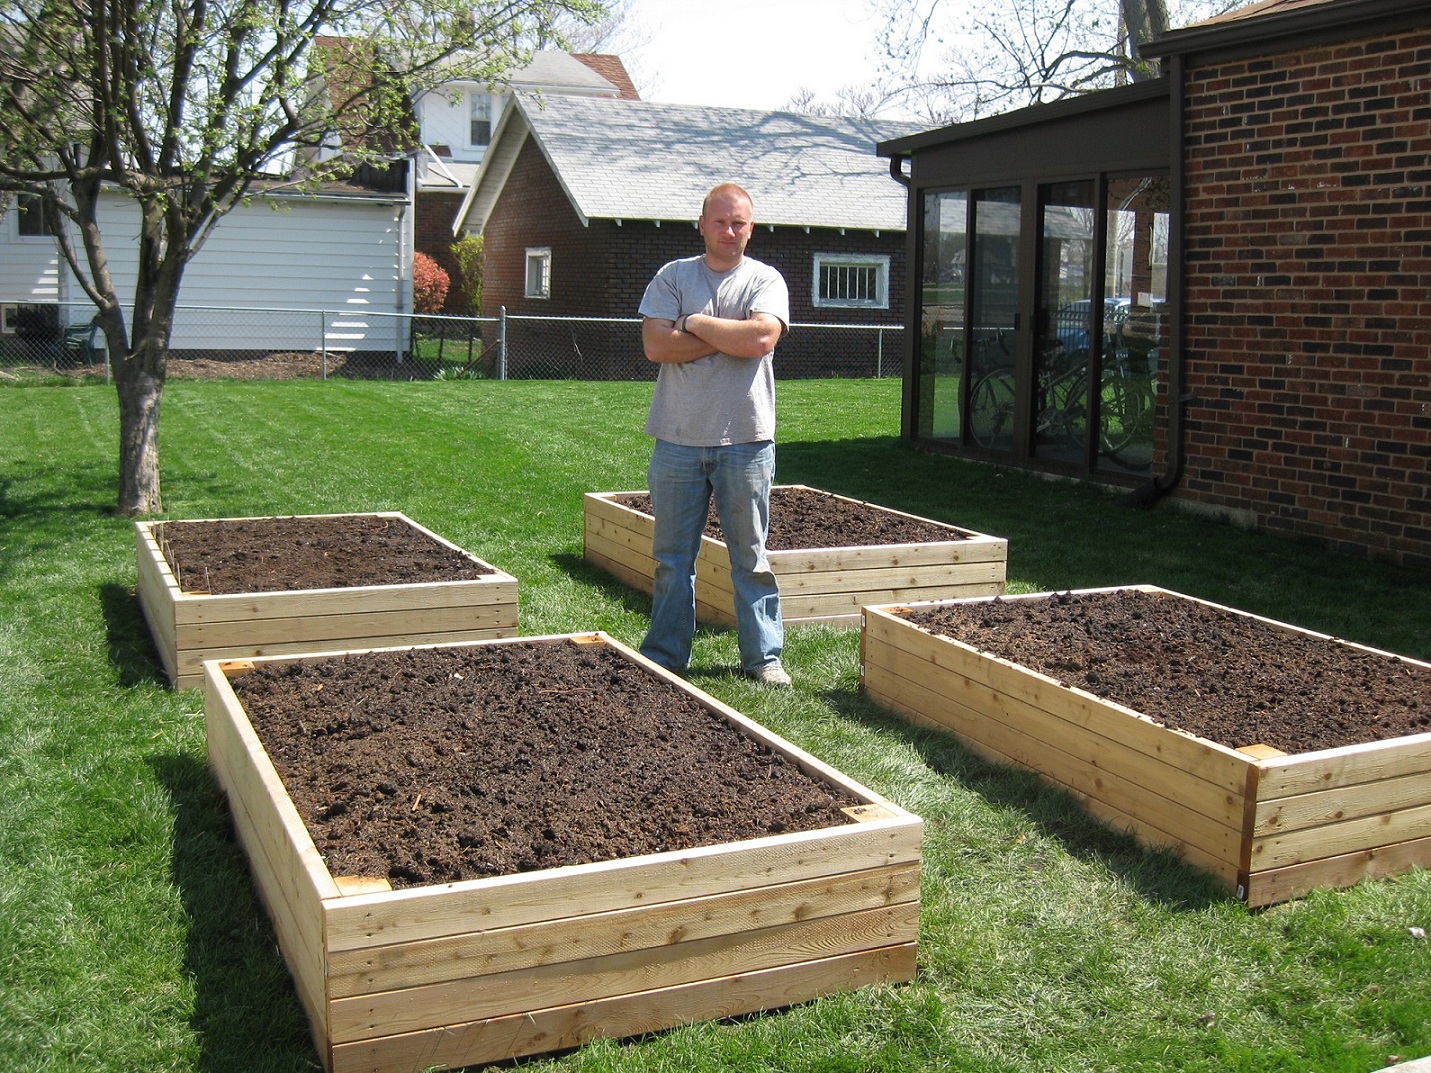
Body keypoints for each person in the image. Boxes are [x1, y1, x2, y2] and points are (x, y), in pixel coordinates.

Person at [637, 182, 792, 687]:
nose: (730, 231)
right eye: (721, 221)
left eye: (739, 222)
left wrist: (698, 323)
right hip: (677, 440)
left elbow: (763, 337)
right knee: (672, 560)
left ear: (752, 227)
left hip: (746, 441)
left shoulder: (765, 279)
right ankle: (665, 655)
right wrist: (730, 337)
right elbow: (657, 347)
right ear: (701, 224)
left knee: (750, 557)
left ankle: (764, 658)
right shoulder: (672, 276)